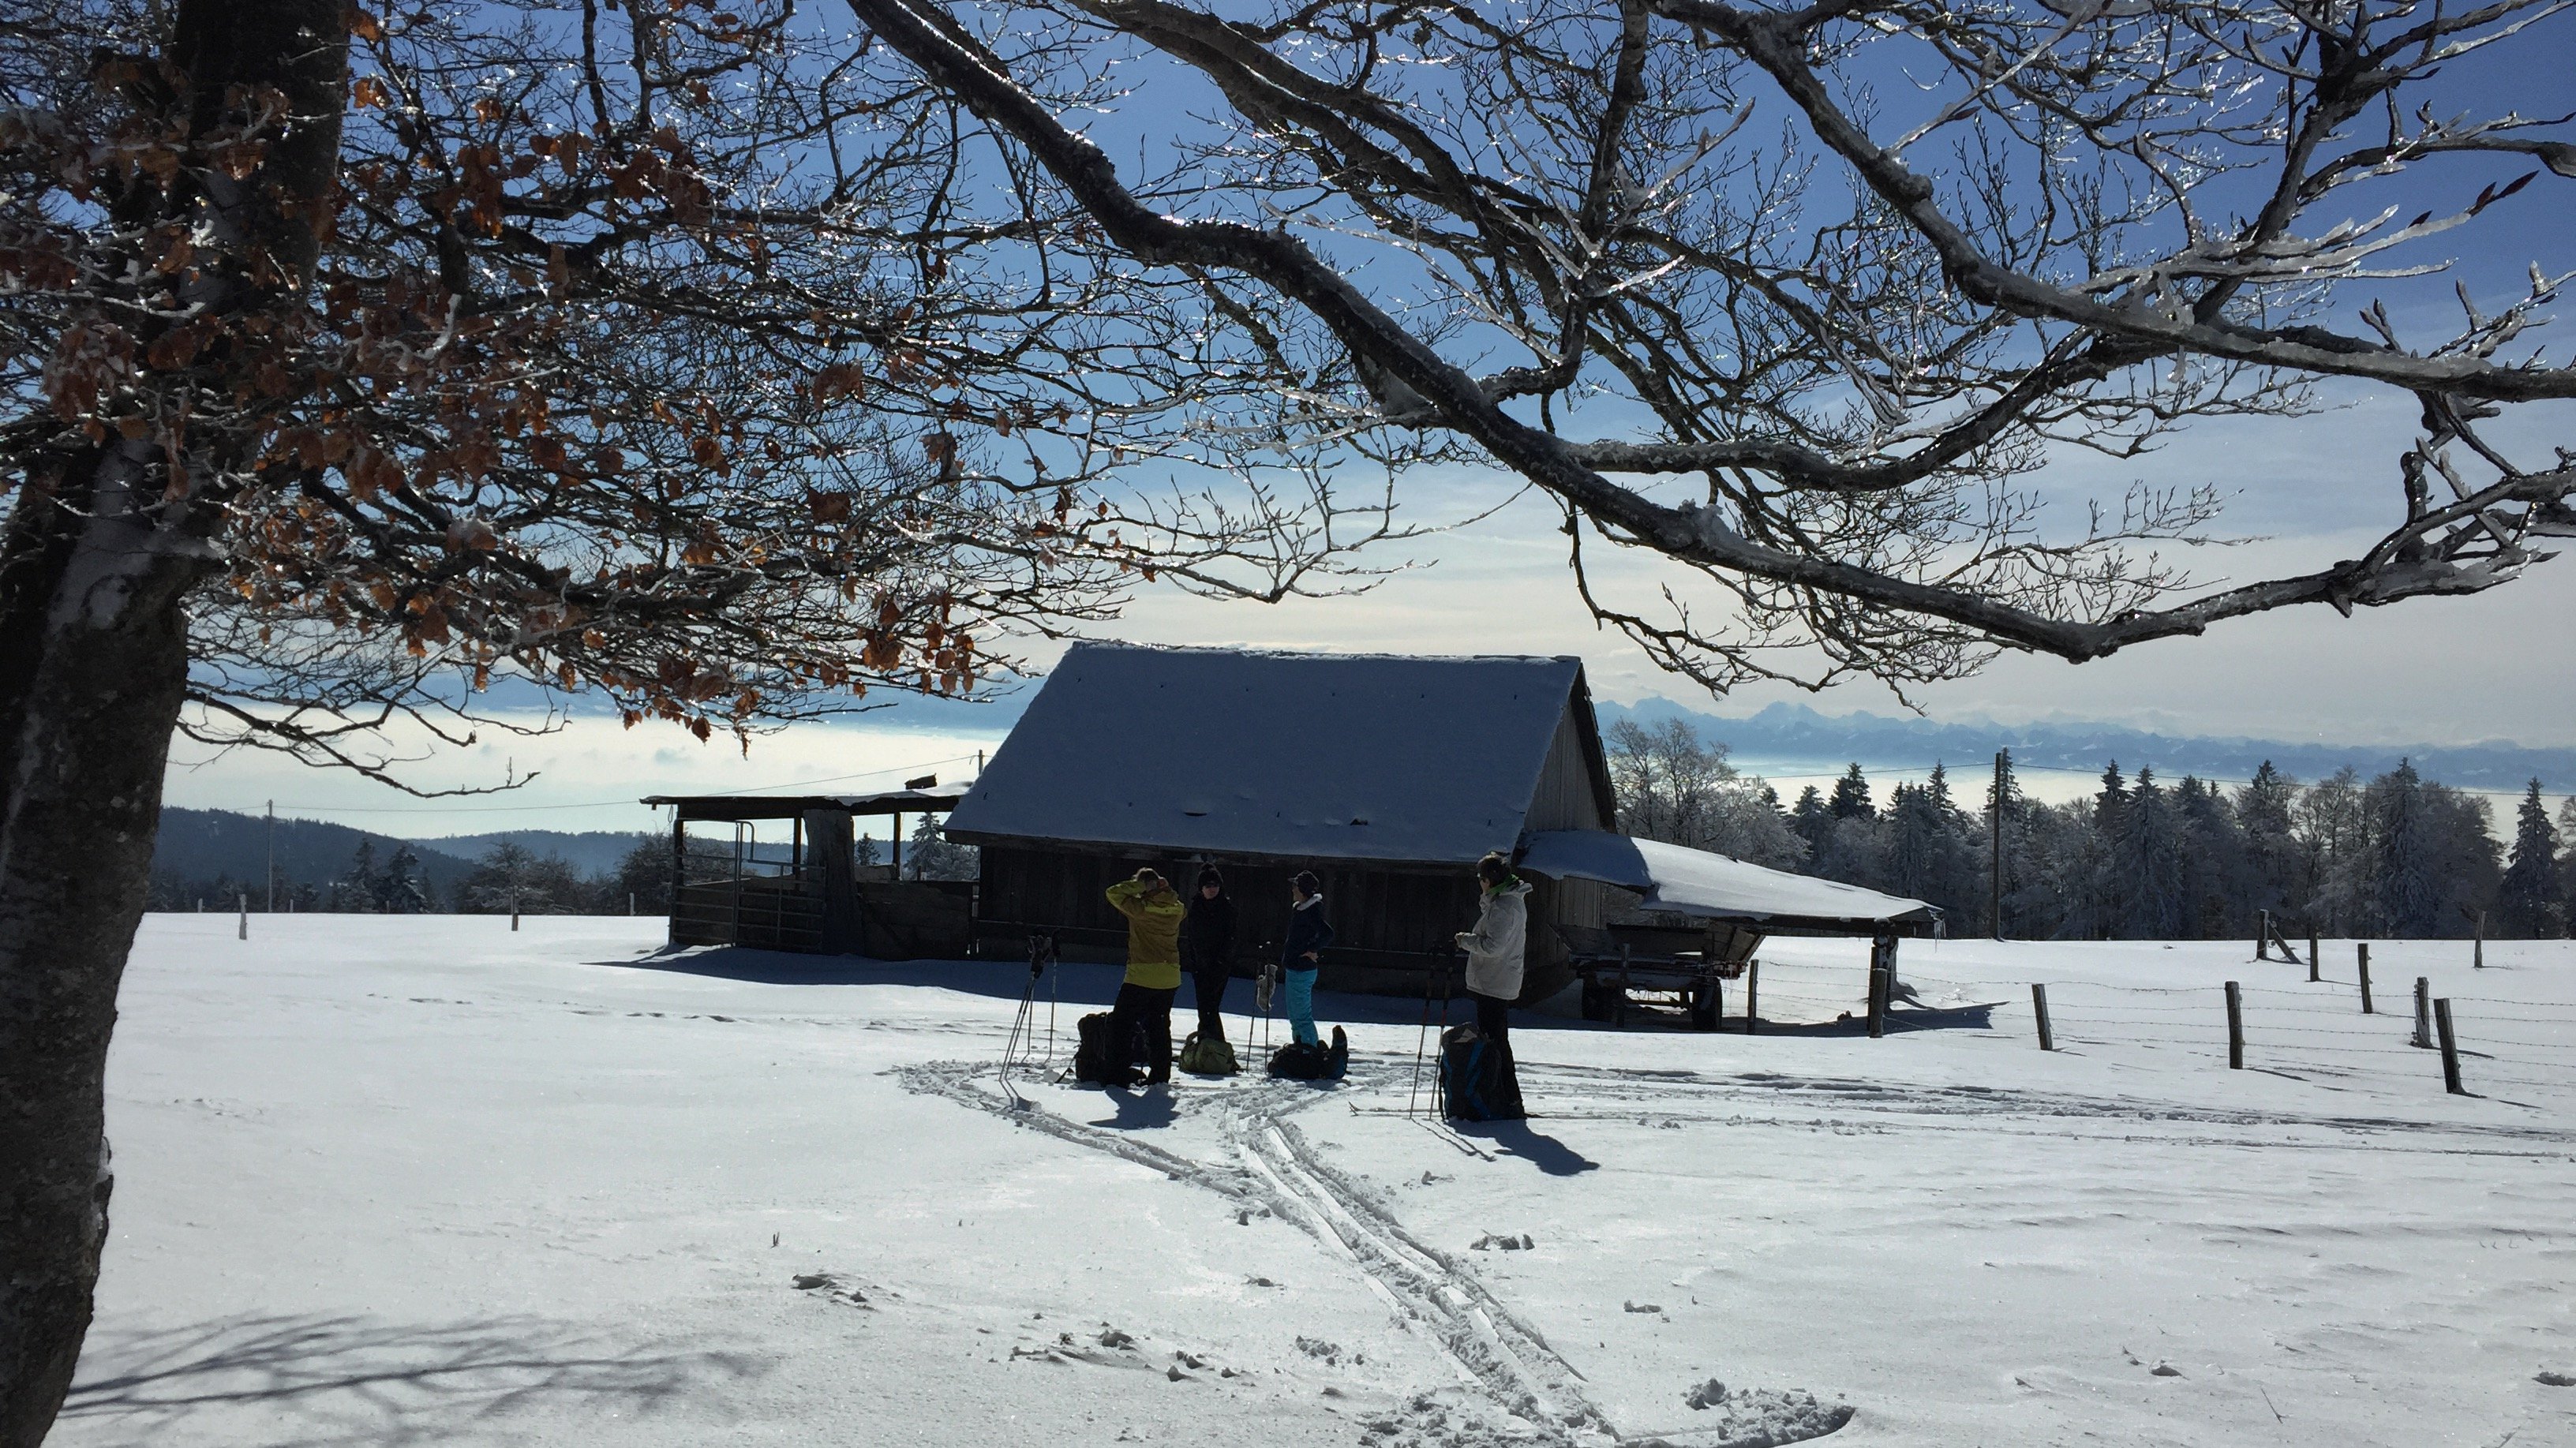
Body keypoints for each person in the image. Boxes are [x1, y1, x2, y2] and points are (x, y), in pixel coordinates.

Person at [1455, 851, 1530, 1118]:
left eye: (1481, 879)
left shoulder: (1504, 907)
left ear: (1489, 880)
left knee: (1495, 1043)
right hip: (1495, 980)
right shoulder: (1503, 902)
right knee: (1495, 1041)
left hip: (1495, 982)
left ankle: (1508, 1098)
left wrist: (1465, 941)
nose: (1480, 884)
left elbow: (1493, 946)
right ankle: (1504, 1096)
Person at [1104, 867, 1185, 1086]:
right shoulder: (1177, 909)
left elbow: (1113, 893)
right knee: (1159, 1026)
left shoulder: (1141, 909)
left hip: (1142, 974)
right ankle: (1160, 1076)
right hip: (1170, 976)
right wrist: (1163, 888)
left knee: (1121, 1025)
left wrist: (1140, 886)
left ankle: (1116, 1074)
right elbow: (1177, 904)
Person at [1279, 870, 1342, 1072]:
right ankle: (1302, 1050)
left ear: (1302, 890)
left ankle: (1310, 1055)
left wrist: (1312, 949)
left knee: (1301, 1017)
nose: (1292, 890)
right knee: (1295, 1016)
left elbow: (1327, 933)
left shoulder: (1311, 910)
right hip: (1295, 968)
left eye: (1295, 886)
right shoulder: (1301, 909)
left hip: (1301, 970)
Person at [1180, 866, 1238, 1044]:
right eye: (1208, 886)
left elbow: (1232, 939)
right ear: (1201, 888)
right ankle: (1207, 1043)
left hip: (1219, 965)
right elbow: (1191, 937)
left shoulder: (1226, 908)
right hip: (1199, 965)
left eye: (1215, 885)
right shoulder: (1196, 908)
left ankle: (1214, 1045)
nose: (1212, 889)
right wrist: (1193, 962)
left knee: (1209, 1007)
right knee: (1204, 1007)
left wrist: (1222, 961)